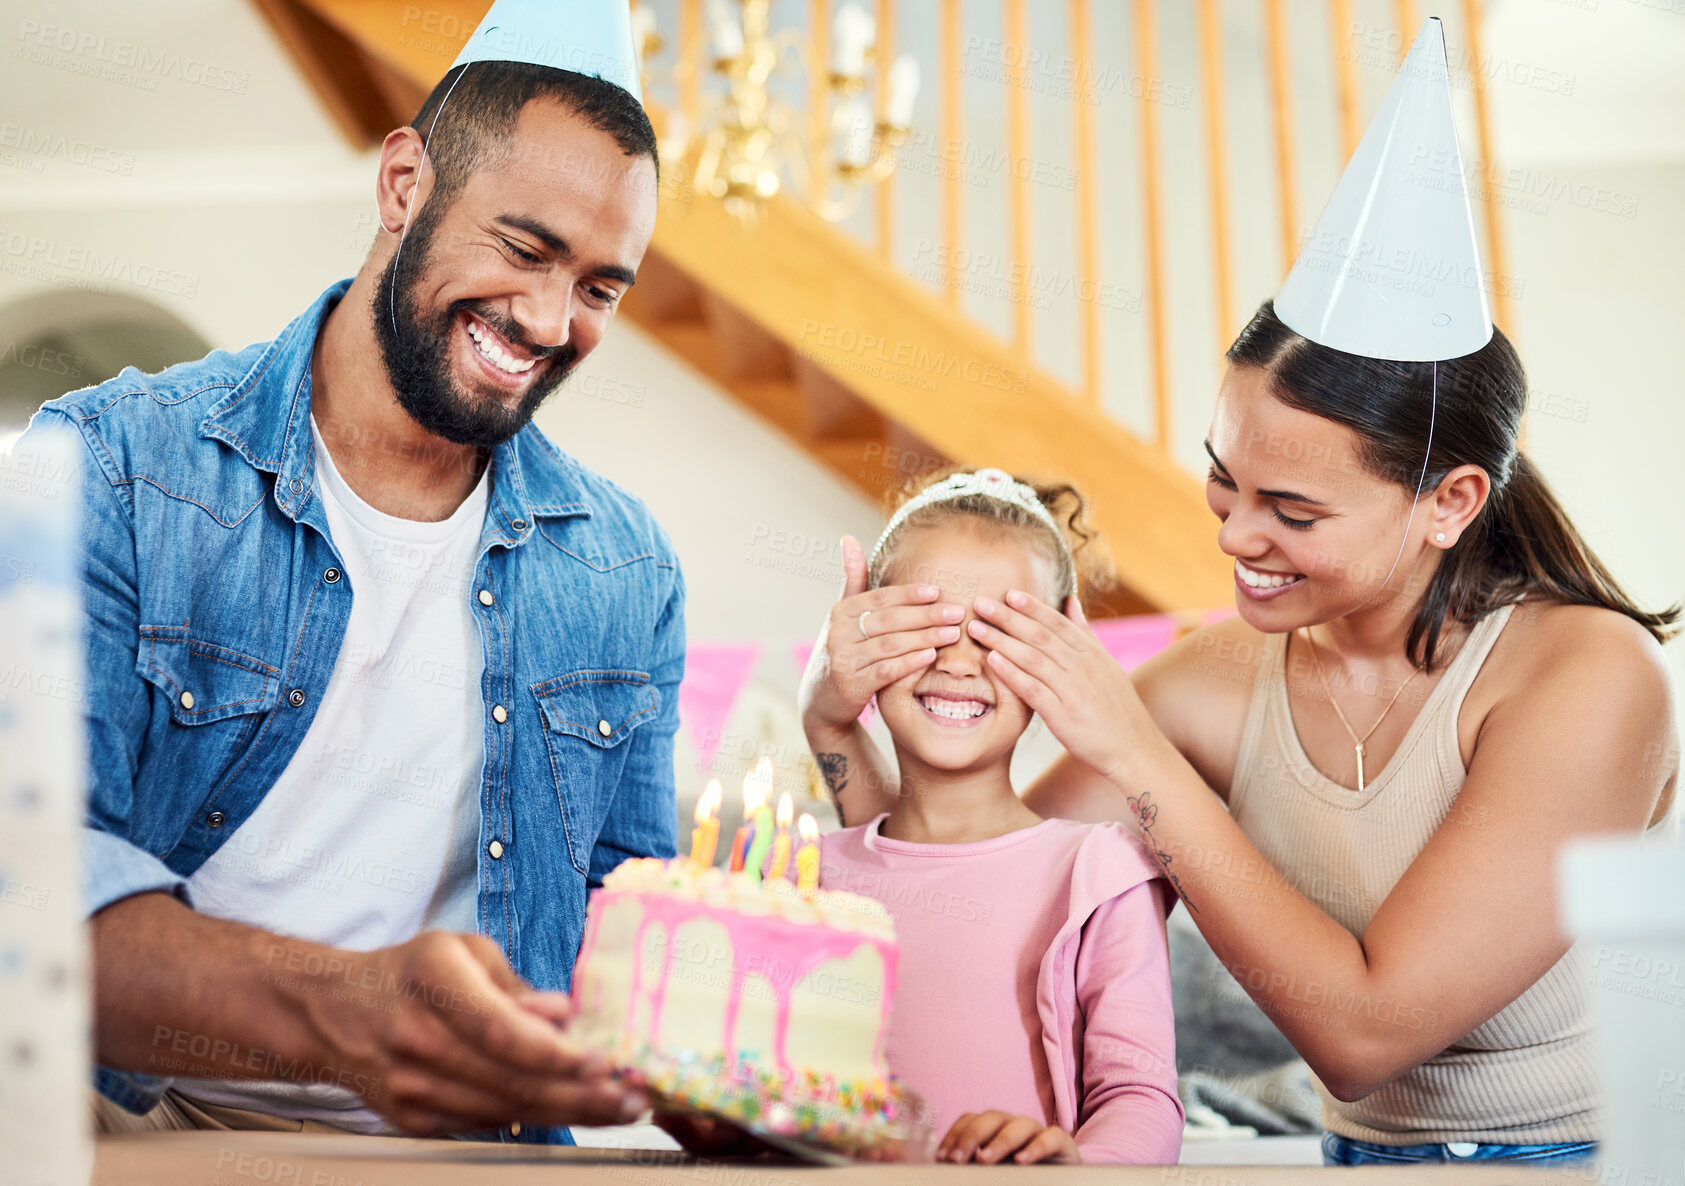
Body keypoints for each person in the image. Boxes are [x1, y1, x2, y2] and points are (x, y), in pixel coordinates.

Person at [800, 21, 1678, 1168]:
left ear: (1448, 500)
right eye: (1222, 480)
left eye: (1293, 512)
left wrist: (1143, 758)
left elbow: (1363, 1033)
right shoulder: (1211, 682)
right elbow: (961, 886)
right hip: (1357, 1160)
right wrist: (833, 719)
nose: (1235, 535)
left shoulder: (1586, 677)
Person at [24, 0, 682, 1143]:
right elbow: (30, 883)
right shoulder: (115, 465)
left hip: (480, 1155)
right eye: (524, 249)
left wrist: (720, 1083)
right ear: (402, 185)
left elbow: (635, 933)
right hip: (148, 1128)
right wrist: (352, 1016)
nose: (546, 317)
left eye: (598, 288)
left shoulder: (627, 567)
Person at [818, 468, 1183, 1165]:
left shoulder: (1099, 870)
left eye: (997, 633)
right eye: (930, 624)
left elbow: (1140, 1097)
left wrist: (1080, 1166)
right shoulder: (804, 872)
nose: (959, 662)